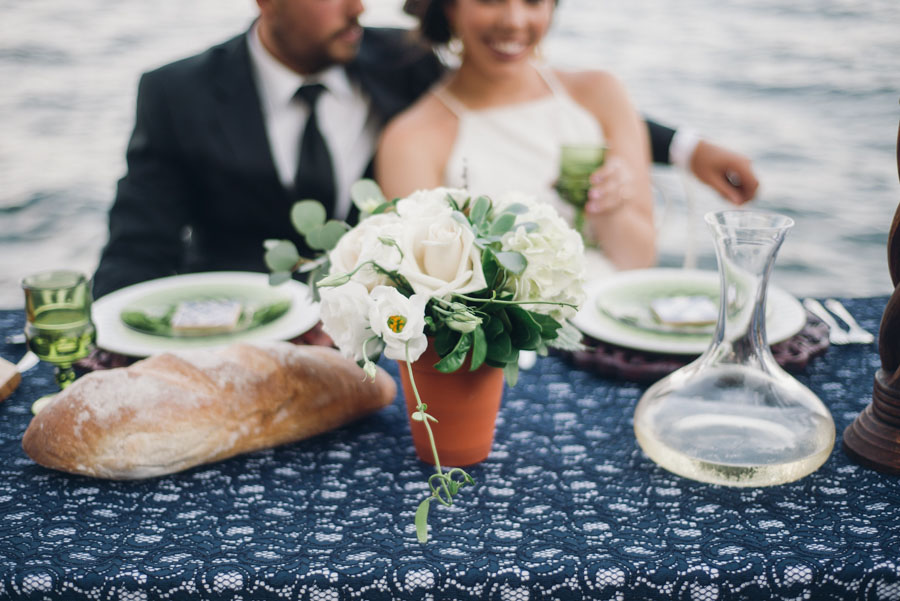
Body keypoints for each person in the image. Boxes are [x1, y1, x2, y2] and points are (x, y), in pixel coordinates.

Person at [92, 0, 757, 299]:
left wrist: (686, 147)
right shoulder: (175, 93)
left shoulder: (392, 58)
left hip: (388, 318)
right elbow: (138, 243)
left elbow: (529, 102)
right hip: (251, 304)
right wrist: (103, 352)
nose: (358, 5)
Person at [376, 0, 757, 271]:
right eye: (490, 0)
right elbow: (428, 288)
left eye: (533, 1)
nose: (514, 20)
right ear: (450, 7)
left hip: (611, 329)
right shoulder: (410, 140)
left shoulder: (602, 94)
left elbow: (639, 261)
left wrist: (610, 206)